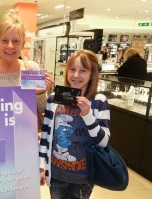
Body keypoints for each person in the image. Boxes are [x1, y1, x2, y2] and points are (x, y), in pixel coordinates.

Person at [39, 50, 111, 199]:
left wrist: (87, 115)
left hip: (83, 178)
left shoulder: (99, 101)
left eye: (83, 71)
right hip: (57, 174)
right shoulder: (54, 99)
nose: (76, 75)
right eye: (72, 69)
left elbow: (104, 142)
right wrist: (40, 165)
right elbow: (46, 135)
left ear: (92, 74)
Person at [0, 13, 54, 130]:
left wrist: (40, 93)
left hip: (25, 139)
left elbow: (43, 110)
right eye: (4, 41)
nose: (10, 46)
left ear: (22, 44)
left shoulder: (31, 69)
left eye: (16, 41)